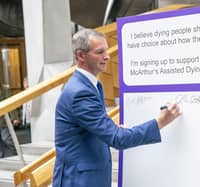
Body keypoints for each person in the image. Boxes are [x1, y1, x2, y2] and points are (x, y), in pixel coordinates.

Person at [52, 29, 181, 187]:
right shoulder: (81, 92)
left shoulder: (89, 85)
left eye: (106, 50)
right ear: (80, 56)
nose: (107, 56)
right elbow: (119, 139)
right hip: (80, 181)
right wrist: (161, 121)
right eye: (100, 52)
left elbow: (89, 127)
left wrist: (109, 129)